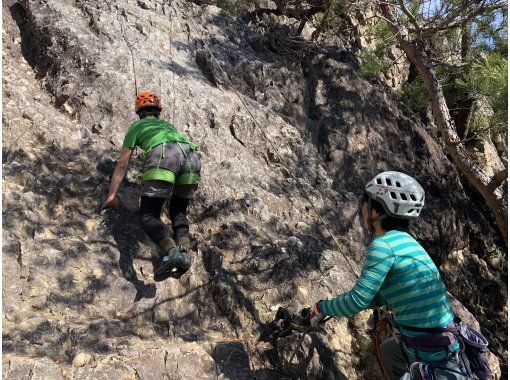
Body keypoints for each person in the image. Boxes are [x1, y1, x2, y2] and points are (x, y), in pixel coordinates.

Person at [307, 171, 471, 379]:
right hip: (444, 344)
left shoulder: (383, 246)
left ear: (376, 210)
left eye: (365, 202)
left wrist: (321, 308)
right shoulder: (409, 243)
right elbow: (389, 295)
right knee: (388, 351)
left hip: (431, 352)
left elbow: (356, 301)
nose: (361, 208)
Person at [101, 91, 201, 281]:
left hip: (165, 154)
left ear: (139, 113)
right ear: (158, 113)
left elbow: (122, 164)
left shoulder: (137, 126)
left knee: (149, 214)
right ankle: (184, 254)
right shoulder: (168, 126)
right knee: (178, 211)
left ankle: (172, 253)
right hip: (191, 155)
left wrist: (112, 195)